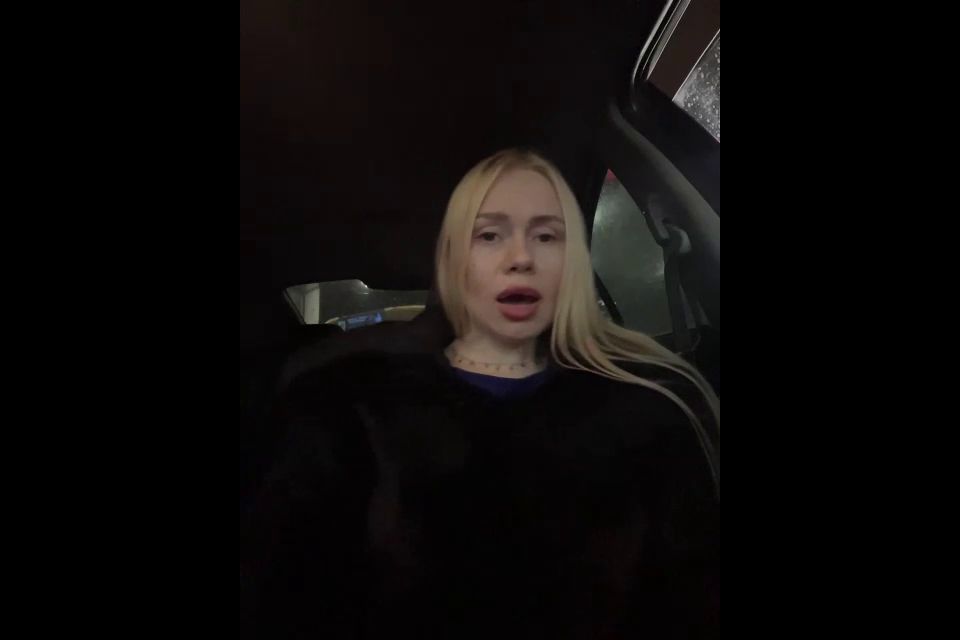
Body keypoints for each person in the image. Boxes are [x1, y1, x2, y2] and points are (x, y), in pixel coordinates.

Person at [242, 149, 720, 639]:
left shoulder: (652, 409)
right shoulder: (345, 410)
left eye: (546, 236)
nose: (520, 259)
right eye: (489, 235)